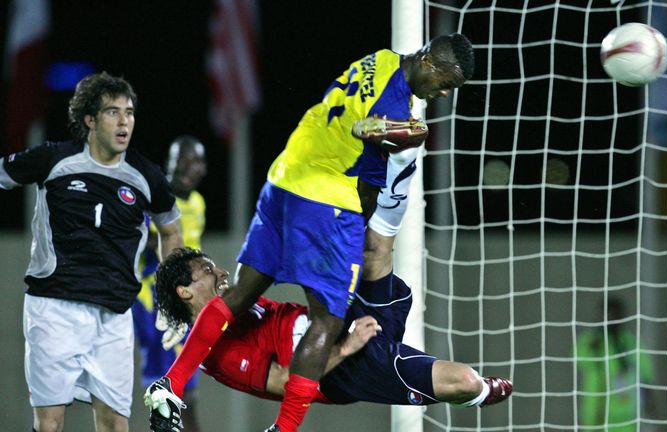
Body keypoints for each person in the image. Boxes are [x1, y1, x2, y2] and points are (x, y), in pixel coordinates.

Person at [145, 33, 475, 432]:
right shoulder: (391, 109)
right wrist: (357, 227)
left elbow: (367, 121)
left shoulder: (381, 60)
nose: (442, 93)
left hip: (284, 175)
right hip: (326, 198)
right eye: (445, 83)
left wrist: (402, 130)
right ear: (428, 62)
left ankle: (171, 383)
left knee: (238, 293)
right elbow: (367, 190)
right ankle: (284, 429)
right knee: (328, 321)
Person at [0, 72, 184, 432]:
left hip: (114, 316)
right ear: (89, 119)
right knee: (50, 424)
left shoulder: (147, 176)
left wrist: (170, 293)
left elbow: (171, 230)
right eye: (113, 112)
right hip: (53, 310)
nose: (124, 122)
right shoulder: (54, 160)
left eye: (129, 113)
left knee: (116, 423)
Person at [149, 247, 513, 411]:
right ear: (185, 291)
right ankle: (478, 395)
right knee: (464, 380)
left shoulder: (235, 307)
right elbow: (286, 382)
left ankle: (395, 158)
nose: (221, 273)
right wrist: (346, 347)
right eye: (208, 270)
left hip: (341, 318)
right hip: (343, 368)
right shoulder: (215, 356)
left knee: (374, 248)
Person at [133, 135, 208, 432]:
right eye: (183, 160)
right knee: (165, 390)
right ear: (170, 164)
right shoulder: (155, 196)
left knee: (187, 390)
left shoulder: (198, 203)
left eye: (197, 160)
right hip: (153, 302)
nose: (191, 167)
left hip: (183, 305)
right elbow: (141, 238)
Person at [575, 297, 655, 432]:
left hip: (624, 411)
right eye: (607, 313)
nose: (610, 318)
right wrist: (594, 345)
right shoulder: (591, 340)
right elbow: (579, 359)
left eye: (614, 314)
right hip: (596, 411)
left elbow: (644, 373)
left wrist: (649, 399)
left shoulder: (630, 342)